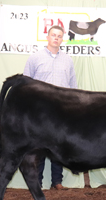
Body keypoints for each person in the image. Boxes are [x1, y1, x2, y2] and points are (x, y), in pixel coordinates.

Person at [23, 25, 77, 190]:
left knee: (58, 146)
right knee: (38, 146)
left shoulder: (68, 60)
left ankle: (57, 181)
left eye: (59, 36)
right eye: (53, 35)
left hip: (61, 111)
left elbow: (72, 86)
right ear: (47, 37)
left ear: (62, 39)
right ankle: (37, 181)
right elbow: (26, 84)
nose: (56, 38)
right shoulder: (34, 58)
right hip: (39, 111)